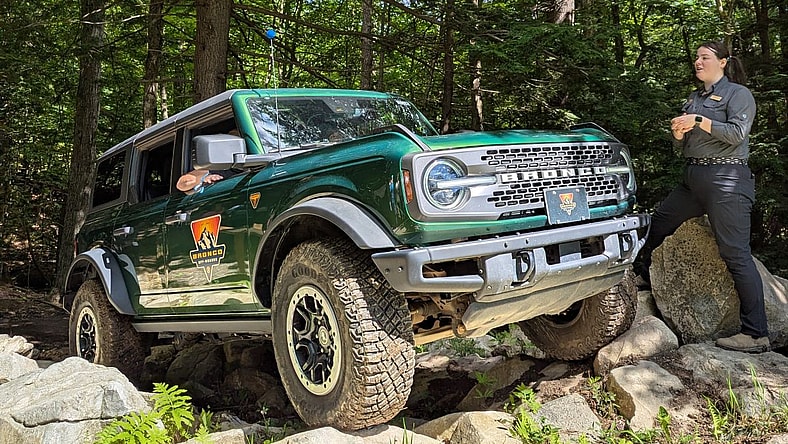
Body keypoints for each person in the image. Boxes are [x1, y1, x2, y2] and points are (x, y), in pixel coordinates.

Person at [634, 41, 770, 353]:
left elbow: (737, 133)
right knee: (658, 225)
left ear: (723, 62)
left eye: (705, 57)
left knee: (735, 253)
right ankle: (645, 277)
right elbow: (685, 146)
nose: (698, 61)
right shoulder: (695, 98)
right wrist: (679, 135)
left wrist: (697, 120)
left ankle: (756, 333)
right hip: (693, 179)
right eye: (696, 57)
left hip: (728, 179)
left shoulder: (739, 94)